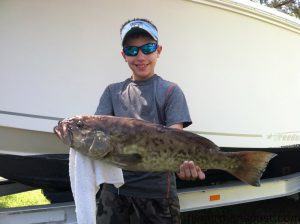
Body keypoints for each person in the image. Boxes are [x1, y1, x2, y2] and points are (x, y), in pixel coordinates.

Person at [95, 18, 205, 224]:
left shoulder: (171, 91)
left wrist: (187, 166)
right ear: (123, 55)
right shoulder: (112, 92)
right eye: (132, 50)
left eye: (148, 48)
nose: (141, 56)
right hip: (114, 194)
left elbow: (176, 143)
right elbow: (99, 137)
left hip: (158, 196)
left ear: (158, 50)